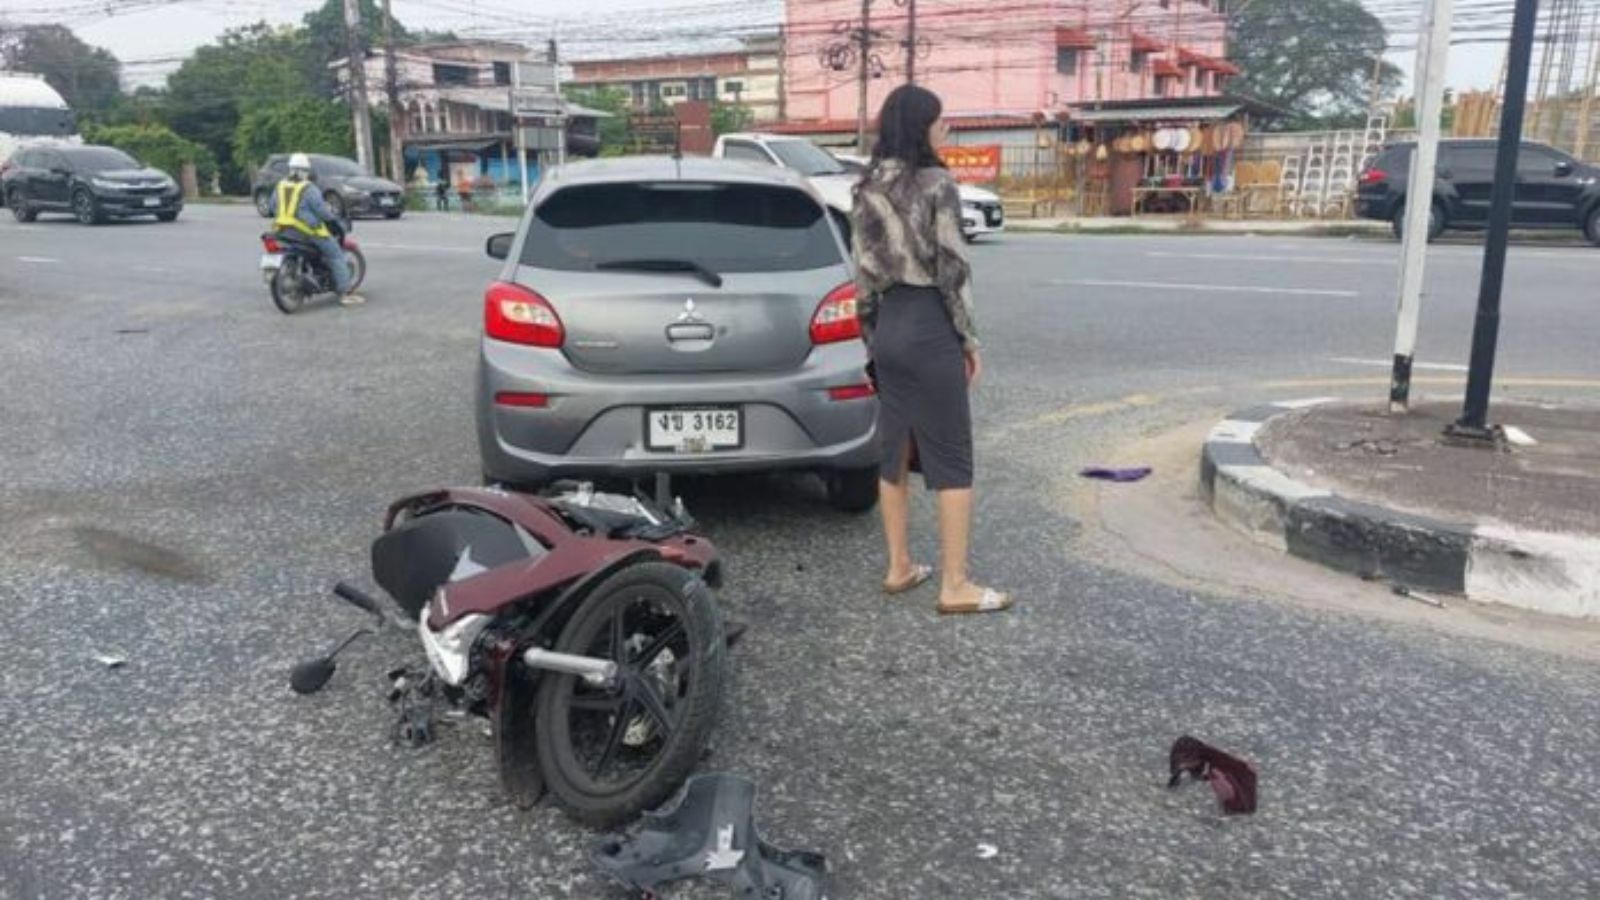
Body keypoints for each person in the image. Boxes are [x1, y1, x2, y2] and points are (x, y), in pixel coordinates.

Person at [850, 84, 1011, 616]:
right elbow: (951, 267)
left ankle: (899, 567)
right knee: (952, 456)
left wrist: (873, 337)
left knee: (893, 449)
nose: (946, 128)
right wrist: (968, 338)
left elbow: (863, 276)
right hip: (928, 324)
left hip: (889, 324)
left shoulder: (867, 185)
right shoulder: (938, 183)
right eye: (941, 121)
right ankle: (955, 585)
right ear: (922, 125)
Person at [268, 153, 364, 306]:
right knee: (335, 254)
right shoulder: (308, 188)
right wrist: (333, 220)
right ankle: (345, 293)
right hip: (306, 232)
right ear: (306, 171)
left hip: (283, 231)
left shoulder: (280, 185)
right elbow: (321, 210)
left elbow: (272, 207)